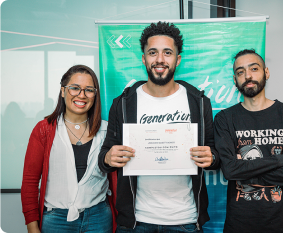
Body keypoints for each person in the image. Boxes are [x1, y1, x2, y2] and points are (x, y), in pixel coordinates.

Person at [98, 21, 219, 233]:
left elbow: (215, 154)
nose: (160, 59)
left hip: (186, 219)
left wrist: (212, 158)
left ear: (177, 59)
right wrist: (108, 158)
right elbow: (105, 158)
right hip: (137, 222)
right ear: (144, 58)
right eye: (153, 52)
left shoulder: (199, 103)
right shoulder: (124, 103)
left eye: (167, 53)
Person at [214, 49, 283, 233]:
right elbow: (230, 171)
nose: (247, 76)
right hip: (239, 225)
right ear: (235, 80)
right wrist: (279, 161)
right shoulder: (225, 119)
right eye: (240, 72)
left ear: (266, 72)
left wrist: (245, 172)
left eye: (254, 69)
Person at [21, 65, 117, 233]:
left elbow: (116, 178)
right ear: (63, 91)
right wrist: (32, 225)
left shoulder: (107, 130)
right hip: (56, 219)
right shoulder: (44, 130)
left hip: (99, 218)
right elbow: (30, 181)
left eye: (89, 90)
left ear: (95, 95)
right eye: (75, 88)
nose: (82, 95)